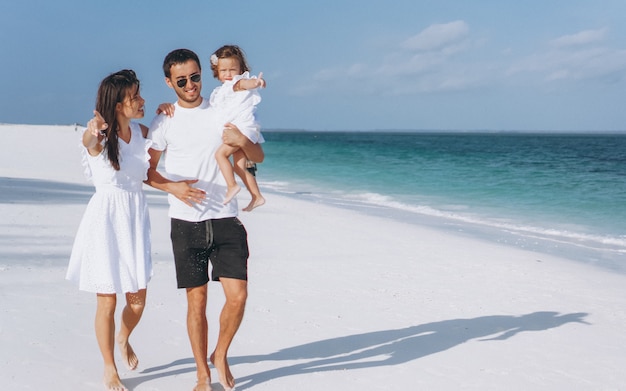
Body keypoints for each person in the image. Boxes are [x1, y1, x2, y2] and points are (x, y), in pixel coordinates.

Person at [146, 48, 264, 391]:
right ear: (169, 83)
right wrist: (174, 188)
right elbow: (147, 171)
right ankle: (202, 374)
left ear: (202, 74)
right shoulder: (164, 120)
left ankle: (221, 354)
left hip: (226, 218)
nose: (190, 85)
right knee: (196, 301)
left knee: (238, 297)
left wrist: (242, 140)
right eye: (181, 80)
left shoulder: (223, 107)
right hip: (186, 223)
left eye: (195, 76)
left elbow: (257, 156)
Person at [66, 69, 152, 391]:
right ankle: (108, 367)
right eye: (135, 96)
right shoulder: (100, 139)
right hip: (105, 222)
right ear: (118, 104)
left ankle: (123, 337)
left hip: (134, 220)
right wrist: (93, 131)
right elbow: (89, 142)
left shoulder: (143, 133)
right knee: (108, 302)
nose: (141, 100)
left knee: (138, 300)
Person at [210, 45, 266, 211]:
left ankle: (232, 185)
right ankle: (257, 196)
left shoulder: (235, 83)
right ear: (217, 71)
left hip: (240, 129)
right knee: (239, 166)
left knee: (220, 154)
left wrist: (256, 82)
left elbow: (245, 83)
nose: (228, 74)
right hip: (243, 129)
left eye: (232, 69)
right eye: (223, 70)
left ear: (241, 69)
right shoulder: (223, 90)